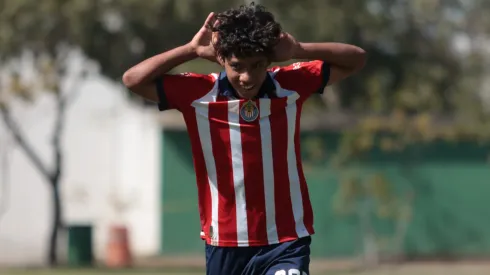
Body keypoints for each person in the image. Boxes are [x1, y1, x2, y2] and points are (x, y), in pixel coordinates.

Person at [122, 3, 365, 275]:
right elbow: (133, 79)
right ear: (221, 58)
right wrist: (190, 50)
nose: (247, 77)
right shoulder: (199, 93)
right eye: (237, 66)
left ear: (269, 60)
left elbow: (356, 59)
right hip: (225, 242)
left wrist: (299, 49)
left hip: (285, 240)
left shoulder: (291, 84)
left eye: (257, 65)